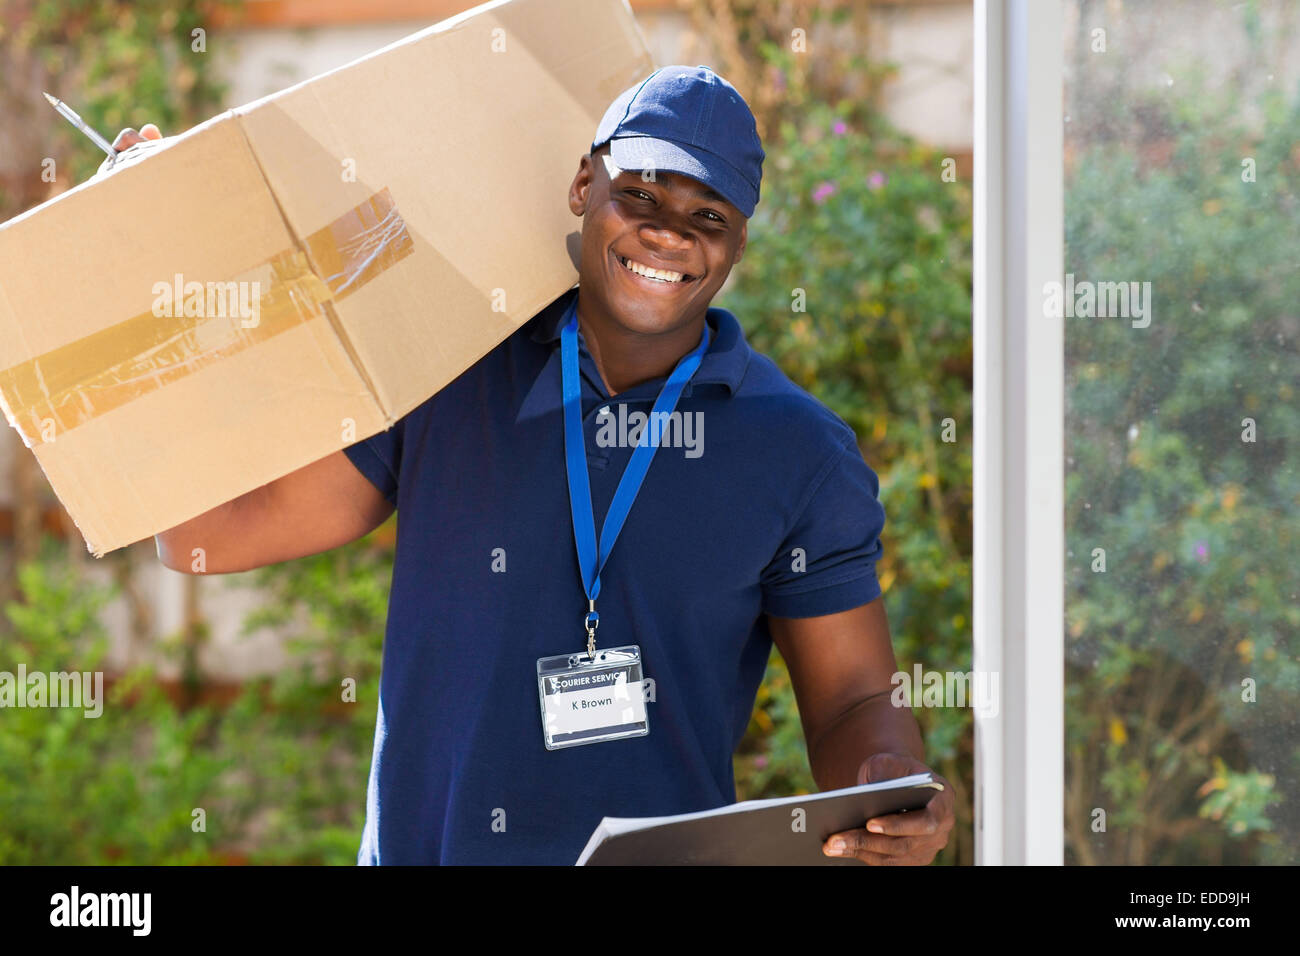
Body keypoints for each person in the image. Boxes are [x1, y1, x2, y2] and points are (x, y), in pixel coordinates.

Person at [145, 65, 955, 865]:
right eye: (640, 193)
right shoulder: (449, 373)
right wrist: (143, 256)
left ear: (738, 241)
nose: (669, 232)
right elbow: (200, 535)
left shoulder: (799, 452)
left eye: (707, 214)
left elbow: (853, 702)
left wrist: (885, 788)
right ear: (582, 185)